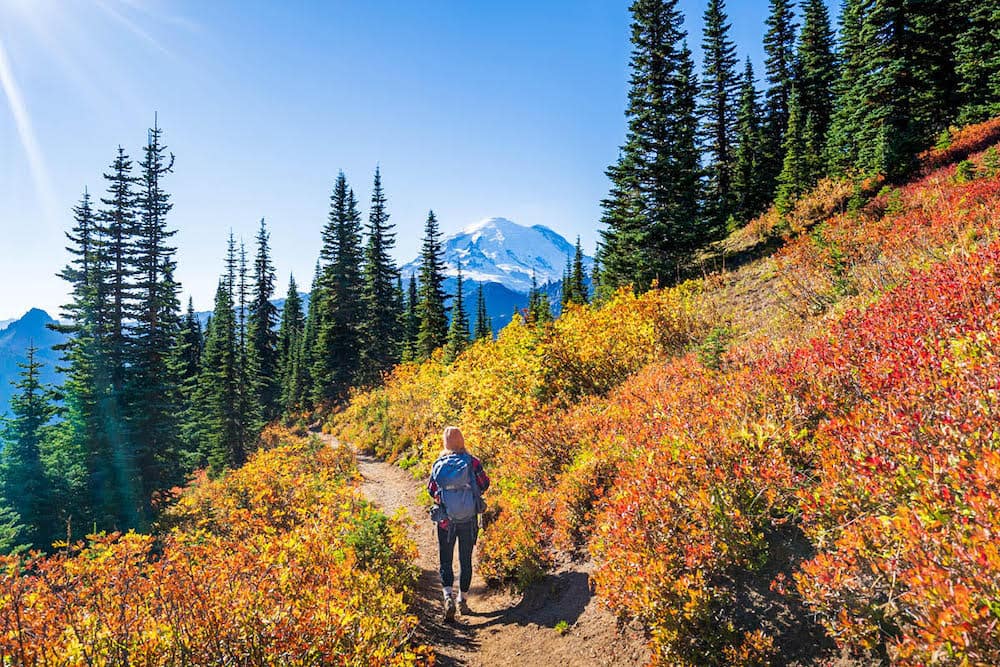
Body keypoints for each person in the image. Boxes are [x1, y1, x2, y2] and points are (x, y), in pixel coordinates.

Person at [427, 426, 490, 621]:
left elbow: (431, 490)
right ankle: (462, 600)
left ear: (444, 443)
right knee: (465, 559)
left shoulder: (439, 464)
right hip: (469, 519)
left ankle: (447, 597)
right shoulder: (472, 462)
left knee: (445, 560)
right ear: (462, 441)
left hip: (446, 521)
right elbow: (484, 484)